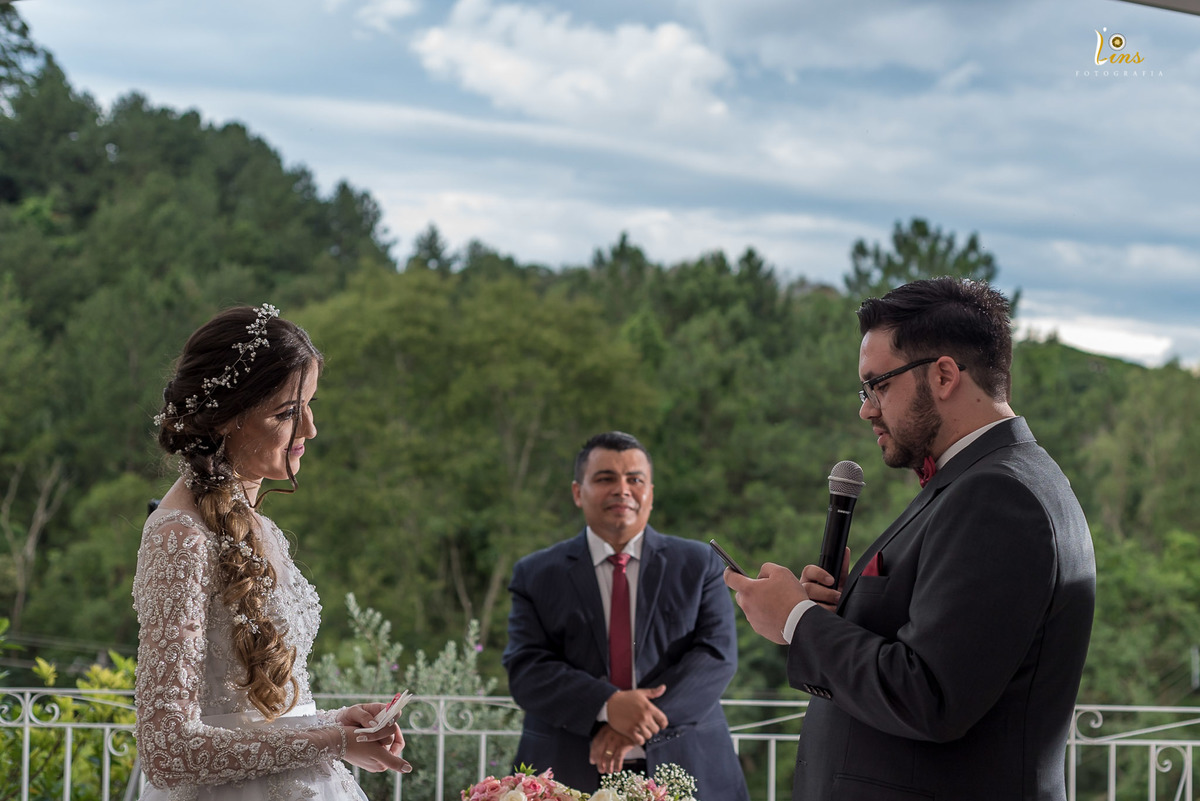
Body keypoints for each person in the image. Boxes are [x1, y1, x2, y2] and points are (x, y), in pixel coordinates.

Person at [726, 278, 1096, 800]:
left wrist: (796, 620)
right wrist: (834, 618)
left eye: (878, 385)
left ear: (944, 374)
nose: (866, 408)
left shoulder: (999, 496)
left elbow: (931, 696)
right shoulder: (985, 479)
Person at [134, 303, 411, 801]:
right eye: (287, 413)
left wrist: (334, 724)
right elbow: (168, 751)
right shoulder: (180, 536)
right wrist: (332, 741)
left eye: (310, 405)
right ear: (225, 419)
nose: (309, 430)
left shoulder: (259, 526)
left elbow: (249, 716)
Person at [502, 432, 749, 800]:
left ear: (651, 491)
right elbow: (527, 670)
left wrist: (632, 722)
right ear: (577, 492)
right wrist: (606, 705)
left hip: (689, 767)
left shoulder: (698, 564)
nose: (622, 489)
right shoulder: (536, 574)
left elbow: (716, 657)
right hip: (566, 773)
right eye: (605, 479)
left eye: (634, 479)